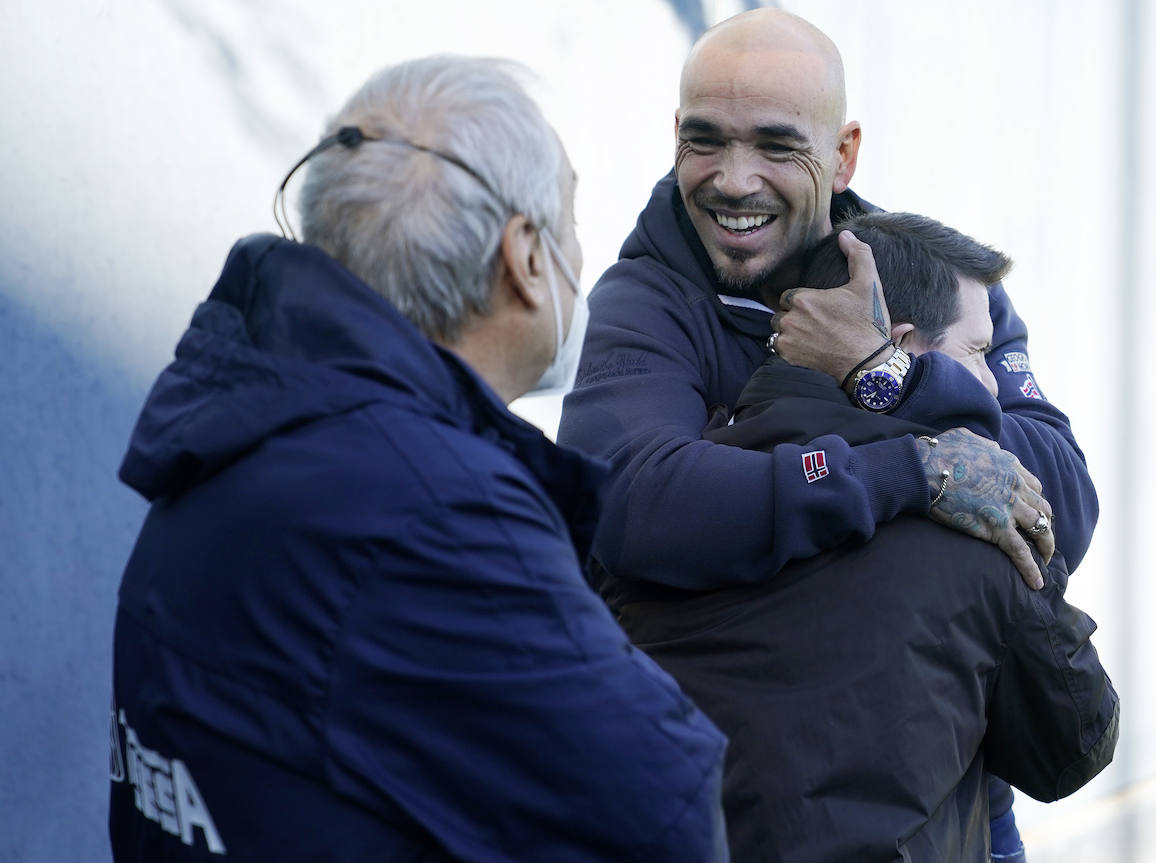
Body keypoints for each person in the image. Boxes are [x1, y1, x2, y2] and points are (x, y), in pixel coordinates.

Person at [107, 55, 727, 862]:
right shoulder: (436, 505)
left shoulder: (243, 429)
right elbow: (664, 812)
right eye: (573, 220)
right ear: (526, 258)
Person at [557, 10, 1099, 860]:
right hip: (729, 800)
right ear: (674, 138)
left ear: (844, 154)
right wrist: (909, 469)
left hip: (947, 792)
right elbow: (634, 503)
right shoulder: (643, 302)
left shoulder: (932, 275)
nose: (735, 179)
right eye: (706, 141)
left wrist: (884, 371)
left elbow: (1060, 494)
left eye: (777, 146)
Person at [621, 211, 1119, 861]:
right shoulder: (984, 519)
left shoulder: (682, 493)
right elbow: (1075, 744)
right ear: (903, 344)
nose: (994, 384)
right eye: (976, 352)